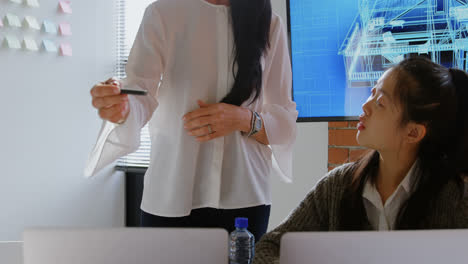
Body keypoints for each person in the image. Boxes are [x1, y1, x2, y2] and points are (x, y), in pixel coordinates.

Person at [85, 0, 297, 242]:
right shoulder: (162, 13)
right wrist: (121, 108)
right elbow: (139, 92)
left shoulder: (269, 24)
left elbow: (285, 124)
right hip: (171, 193)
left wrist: (243, 119)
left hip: (245, 196)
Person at [253, 56, 468, 263]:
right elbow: (268, 247)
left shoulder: (456, 200)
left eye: (381, 102)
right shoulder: (337, 185)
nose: (365, 106)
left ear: (413, 133)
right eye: (372, 93)